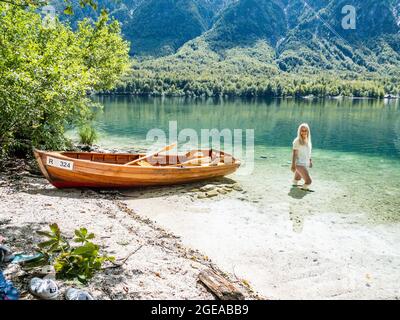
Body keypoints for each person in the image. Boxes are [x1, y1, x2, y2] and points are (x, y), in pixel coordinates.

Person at [291, 123, 313, 190]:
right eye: (302, 130)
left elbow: (308, 152)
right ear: (299, 131)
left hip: (305, 163)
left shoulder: (308, 140)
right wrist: (293, 165)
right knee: (309, 181)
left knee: (298, 178)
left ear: (308, 131)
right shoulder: (297, 141)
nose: (304, 132)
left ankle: (294, 185)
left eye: (305, 130)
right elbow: (294, 154)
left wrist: (310, 161)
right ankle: (304, 189)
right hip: (299, 164)